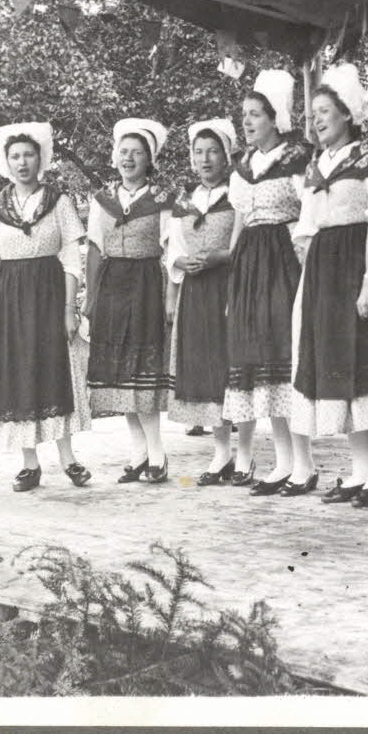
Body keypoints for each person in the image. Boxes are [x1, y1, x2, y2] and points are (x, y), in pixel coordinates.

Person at [291, 63, 368, 506]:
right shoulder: (318, 164)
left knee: (367, 366)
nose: (317, 121)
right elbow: (306, 226)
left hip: (360, 265)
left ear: (347, 115)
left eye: (325, 112)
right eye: (312, 114)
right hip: (324, 272)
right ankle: (357, 473)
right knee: (339, 368)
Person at [0, 123, 92, 491]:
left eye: (28, 155)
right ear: (5, 162)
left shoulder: (59, 202)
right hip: (8, 298)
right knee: (17, 373)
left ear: (40, 159)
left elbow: (72, 256)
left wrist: (70, 308)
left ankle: (69, 459)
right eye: (15, 157)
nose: (22, 162)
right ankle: (28, 463)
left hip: (49, 293)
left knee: (53, 370)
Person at [224, 70, 311, 490]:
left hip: (285, 261)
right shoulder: (242, 168)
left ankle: (304, 464)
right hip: (250, 267)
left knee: (284, 357)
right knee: (259, 362)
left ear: (275, 118)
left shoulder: (298, 159)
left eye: (255, 114)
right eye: (244, 115)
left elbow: (310, 214)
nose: (247, 122)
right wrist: (234, 280)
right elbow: (240, 224)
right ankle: (281, 461)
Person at [84, 119, 173, 484]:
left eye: (137, 153)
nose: (129, 158)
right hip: (111, 288)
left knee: (142, 377)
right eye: (123, 152)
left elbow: (171, 249)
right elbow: (93, 249)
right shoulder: (102, 200)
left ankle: (157, 455)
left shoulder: (163, 200)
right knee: (120, 377)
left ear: (149, 159)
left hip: (147, 285)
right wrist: (90, 297)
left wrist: (170, 297)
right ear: (114, 157)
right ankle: (137, 455)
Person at [165, 119, 238, 482]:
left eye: (213, 152)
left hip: (228, 288)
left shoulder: (237, 194)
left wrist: (218, 258)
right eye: (198, 152)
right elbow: (173, 251)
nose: (205, 159)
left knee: (232, 369)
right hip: (195, 292)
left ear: (227, 156)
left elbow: (244, 245)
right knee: (207, 372)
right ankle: (222, 454)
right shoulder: (185, 201)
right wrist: (182, 262)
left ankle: (245, 457)